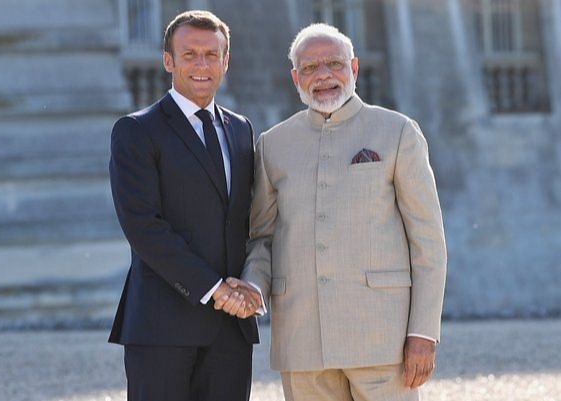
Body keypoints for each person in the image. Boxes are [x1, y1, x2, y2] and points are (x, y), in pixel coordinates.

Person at [219, 23, 447, 401]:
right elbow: (261, 238)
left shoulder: (398, 132)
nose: (323, 76)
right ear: (296, 78)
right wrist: (254, 285)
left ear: (354, 68)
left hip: (383, 341)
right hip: (303, 342)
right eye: (309, 68)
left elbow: (428, 242)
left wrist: (423, 332)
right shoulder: (273, 145)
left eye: (334, 64)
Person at [108, 10, 261, 401]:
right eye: (189, 54)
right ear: (168, 60)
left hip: (231, 331)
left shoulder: (241, 129)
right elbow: (143, 226)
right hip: (162, 327)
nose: (201, 64)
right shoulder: (137, 131)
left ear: (226, 61)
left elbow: (249, 220)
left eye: (212, 55)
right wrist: (213, 289)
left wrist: (252, 285)